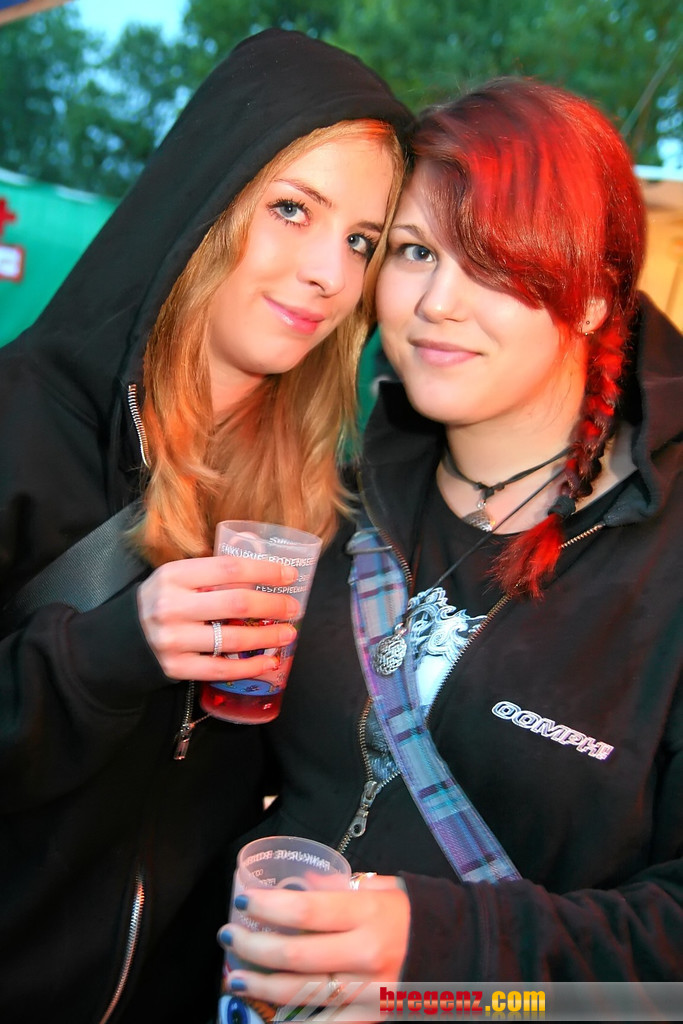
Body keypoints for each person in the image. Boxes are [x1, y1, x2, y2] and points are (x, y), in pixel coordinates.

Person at [217, 77, 683, 1011]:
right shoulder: (328, 499)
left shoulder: (661, 563)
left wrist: (445, 959)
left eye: (494, 263)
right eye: (414, 251)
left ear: (595, 297)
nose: (437, 302)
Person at [0, 28, 411, 1024]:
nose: (327, 273)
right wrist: (111, 650)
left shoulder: (321, 497)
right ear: (205, 195)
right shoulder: (22, 422)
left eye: (360, 241)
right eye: (291, 209)